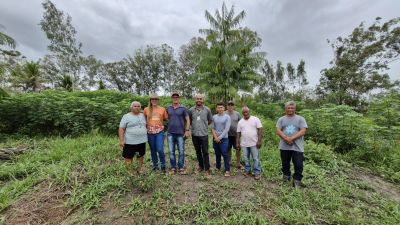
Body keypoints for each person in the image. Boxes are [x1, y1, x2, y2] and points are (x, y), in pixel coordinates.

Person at [275, 101, 308, 188]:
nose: (290, 109)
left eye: (292, 108)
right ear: (285, 109)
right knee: (285, 163)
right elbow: (278, 130)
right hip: (284, 146)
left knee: (298, 164)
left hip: (297, 146)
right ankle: (286, 177)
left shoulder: (301, 119)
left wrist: (291, 138)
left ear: (295, 109)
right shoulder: (281, 119)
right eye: (288, 108)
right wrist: (286, 138)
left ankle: (297, 181)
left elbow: (303, 130)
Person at [118, 101, 147, 176]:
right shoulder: (126, 116)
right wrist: (121, 140)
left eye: (138, 106)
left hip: (142, 141)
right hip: (129, 141)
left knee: (141, 156)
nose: (137, 107)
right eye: (135, 106)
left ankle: (139, 170)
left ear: (140, 107)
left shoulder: (143, 115)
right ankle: (130, 172)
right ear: (131, 107)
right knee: (128, 157)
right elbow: (121, 128)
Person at [167, 91, 190, 175]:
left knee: (181, 151)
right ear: (172, 98)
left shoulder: (183, 109)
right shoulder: (168, 108)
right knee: (171, 151)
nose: (175, 98)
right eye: (174, 97)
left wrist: (187, 130)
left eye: (177, 97)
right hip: (170, 133)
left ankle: (181, 167)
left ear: (179, 98)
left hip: (180, 133)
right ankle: (173, 167)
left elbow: (188, 120)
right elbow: (166, 118)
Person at [188, 94, 213, 175]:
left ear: (203, 100)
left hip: (204, 134)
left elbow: (209, 120)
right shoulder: (191, 110)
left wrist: (203, 126)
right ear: (195, 100)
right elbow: (190, 121)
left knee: (205, 151)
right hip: (194, 134)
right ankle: (201, 166)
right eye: (197, 98)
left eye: (200, 99)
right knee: (198, 151)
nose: (199, 100)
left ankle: (207, 168)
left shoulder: (207, 110)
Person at [236, 107, 263, 180]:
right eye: (244, 112)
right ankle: (247, 170)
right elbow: (238, 133)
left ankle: (257, 172)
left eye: (246, 112)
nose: (245, 113)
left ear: (249, 111)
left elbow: (260, 130)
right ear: (242, 113)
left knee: (255, 158)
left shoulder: (255, 119)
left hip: (254, 143)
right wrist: (237, 143)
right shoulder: (240, 122)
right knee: (245, 158)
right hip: (244, 144)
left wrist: (259, 141)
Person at [144, 93, 168, 173]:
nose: (154, 100)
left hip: (159, 132)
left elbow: (165, 118)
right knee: (153, 150)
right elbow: (144, 120)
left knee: (160, 149)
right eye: (152, 99)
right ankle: (155, 165)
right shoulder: (146, 109)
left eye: (156, 99)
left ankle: (163, 165)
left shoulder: (162, 109)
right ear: (150, 100)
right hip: (150, 132)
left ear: (158, 100)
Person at [212, 102, 231, 177]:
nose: (220, 109)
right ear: (216, 109)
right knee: (217, 153)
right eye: (218, 107)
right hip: (215, 138)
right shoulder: (214, 117)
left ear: (224, 108)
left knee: (225, 154)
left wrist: (219, 138)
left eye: (221, 107)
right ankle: (218, 167)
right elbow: (212, 128)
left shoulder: (227, 117)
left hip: (224, 139)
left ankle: (227, 170)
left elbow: (227, 129)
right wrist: (215, 137)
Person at [225, 101, 242, 169]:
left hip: (236, 135)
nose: (230, 106)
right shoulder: (224, 113)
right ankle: (229, 161)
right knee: (228, 148)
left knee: (238, 148)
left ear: (233, 106)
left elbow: (241, 123)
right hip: (227, 135)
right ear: (227, 106)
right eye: (229, 105)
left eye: (232, 105)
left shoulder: (237, 114)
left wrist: (241, 133)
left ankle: (238, 162)